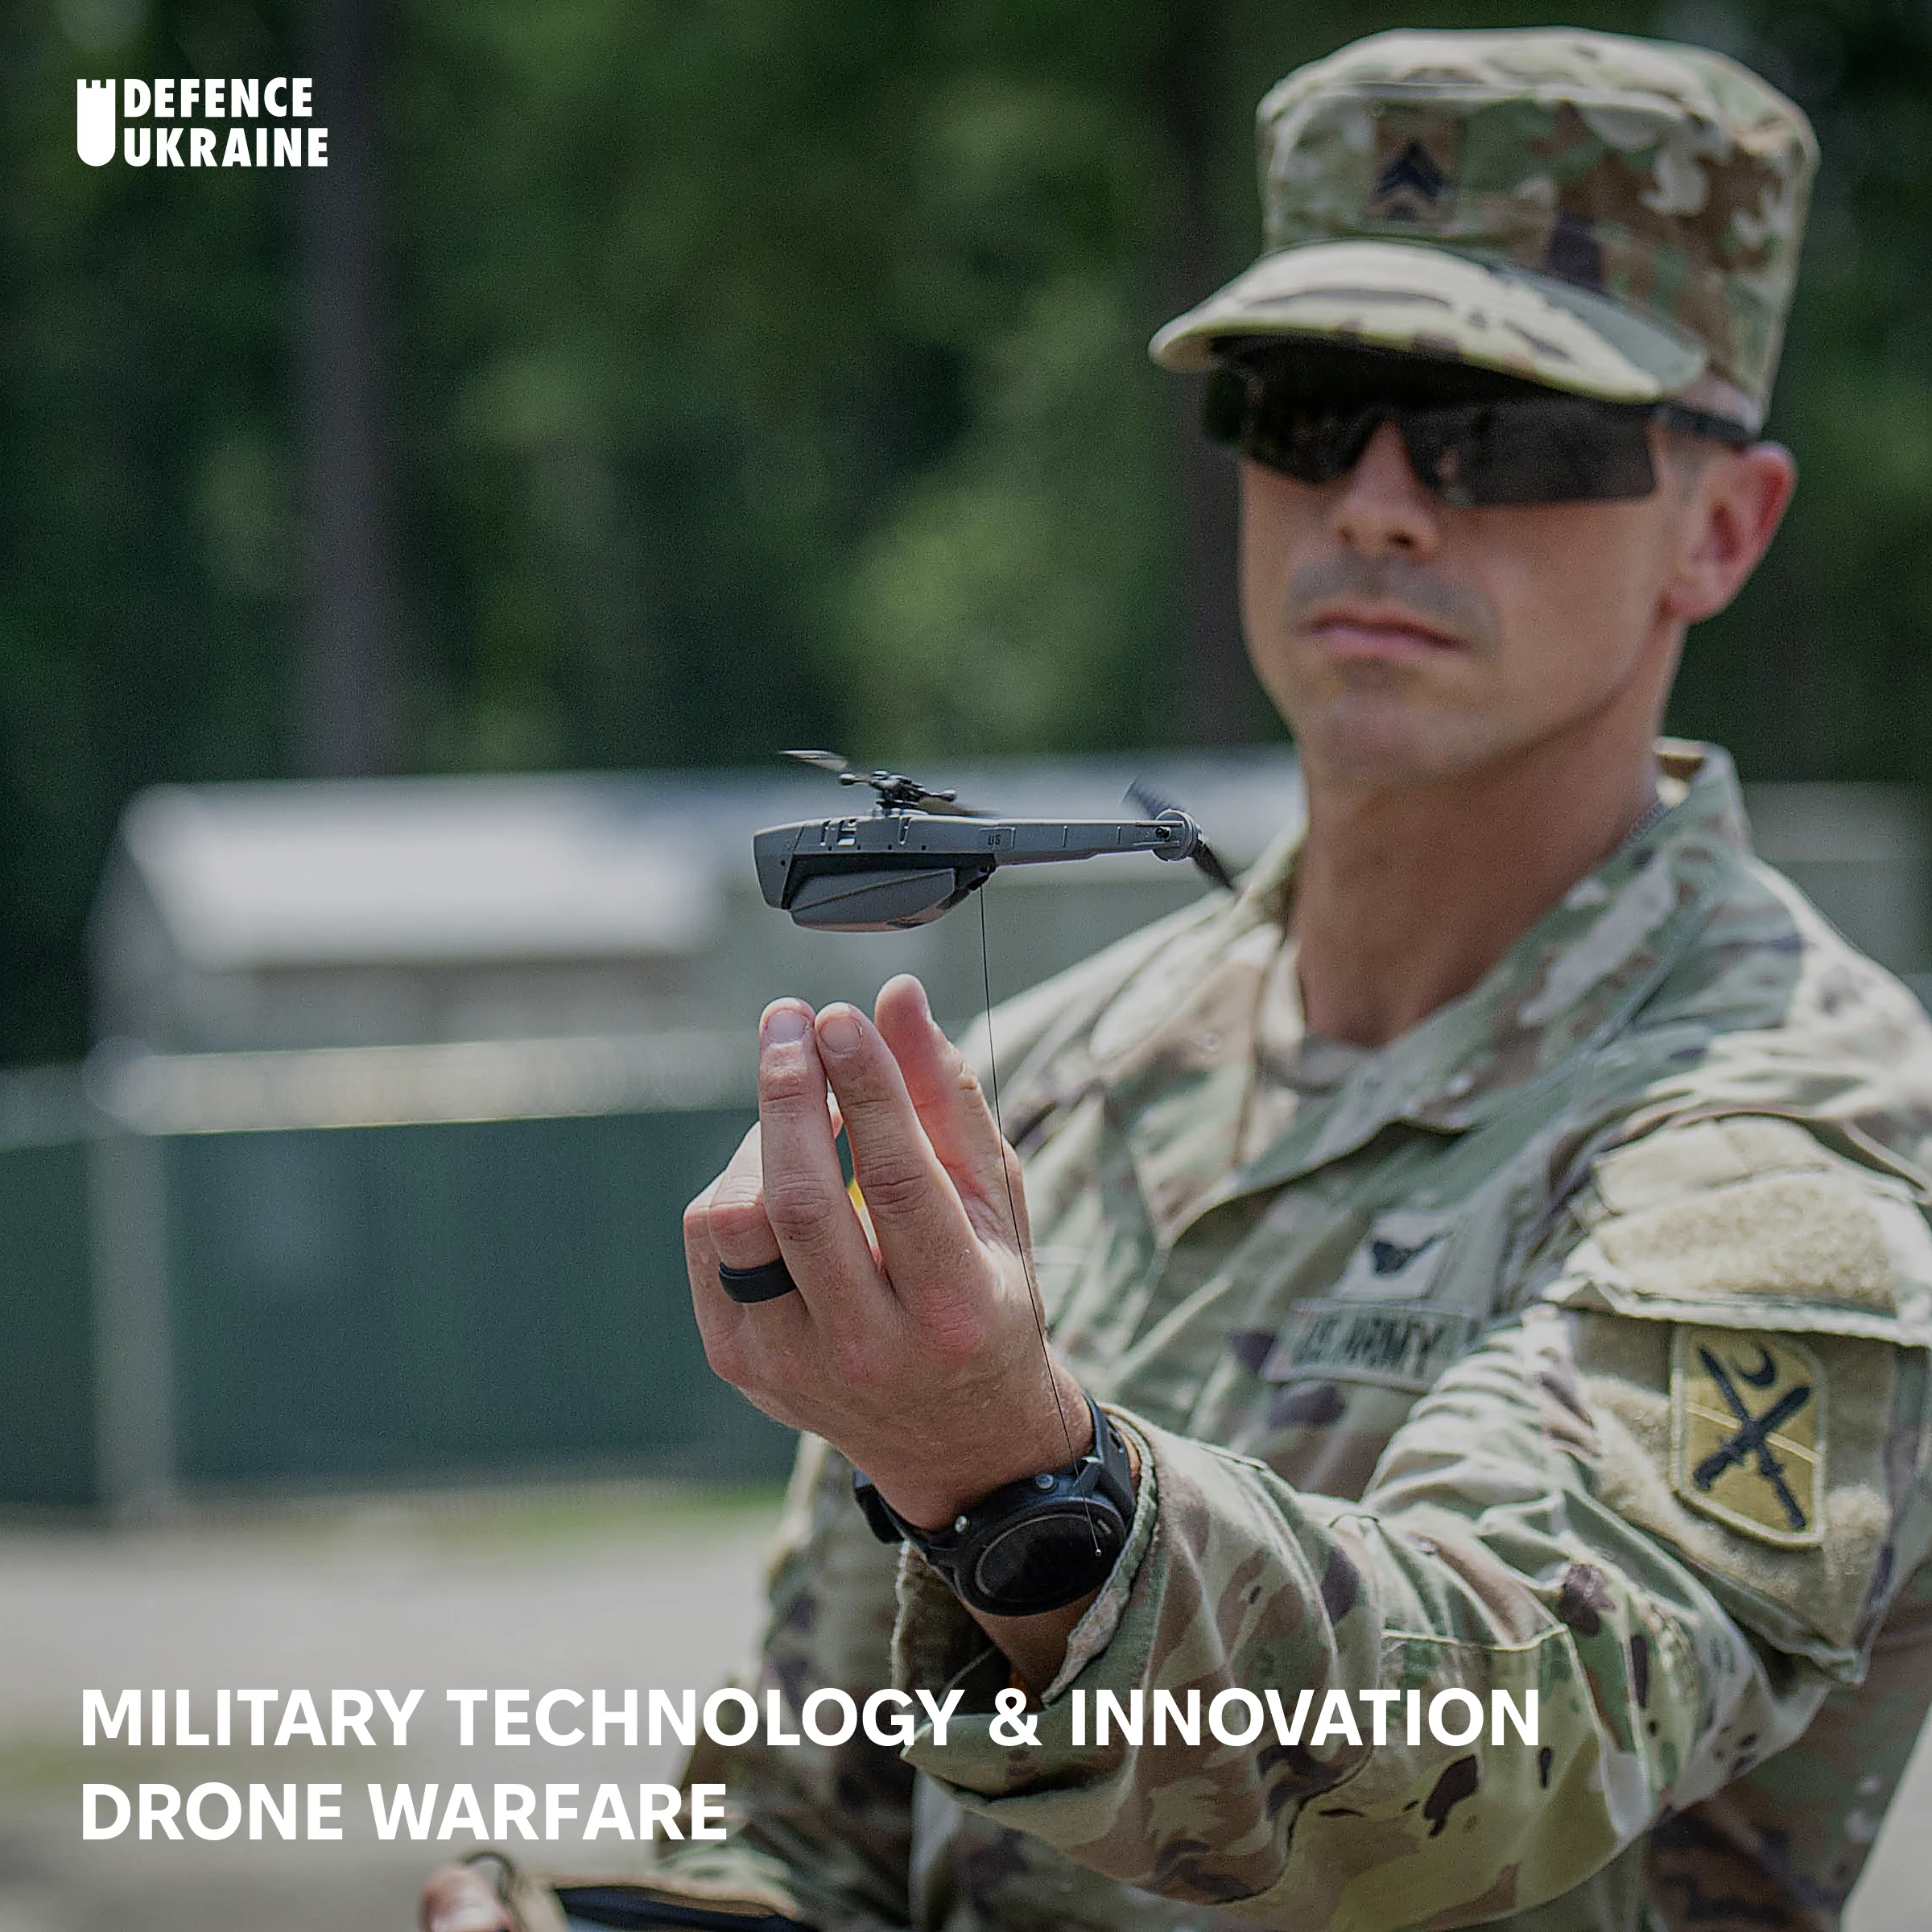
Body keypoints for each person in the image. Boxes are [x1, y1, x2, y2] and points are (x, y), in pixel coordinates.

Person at [424, 26, 1932, 1932]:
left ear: (1718, 527)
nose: (1376, 503)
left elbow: (1508, 1749)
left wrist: (1023, 1492)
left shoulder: (1794, 1137)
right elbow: (825, 1826)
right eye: (1306, 412)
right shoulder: (1052, 1076)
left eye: (1502, 429)